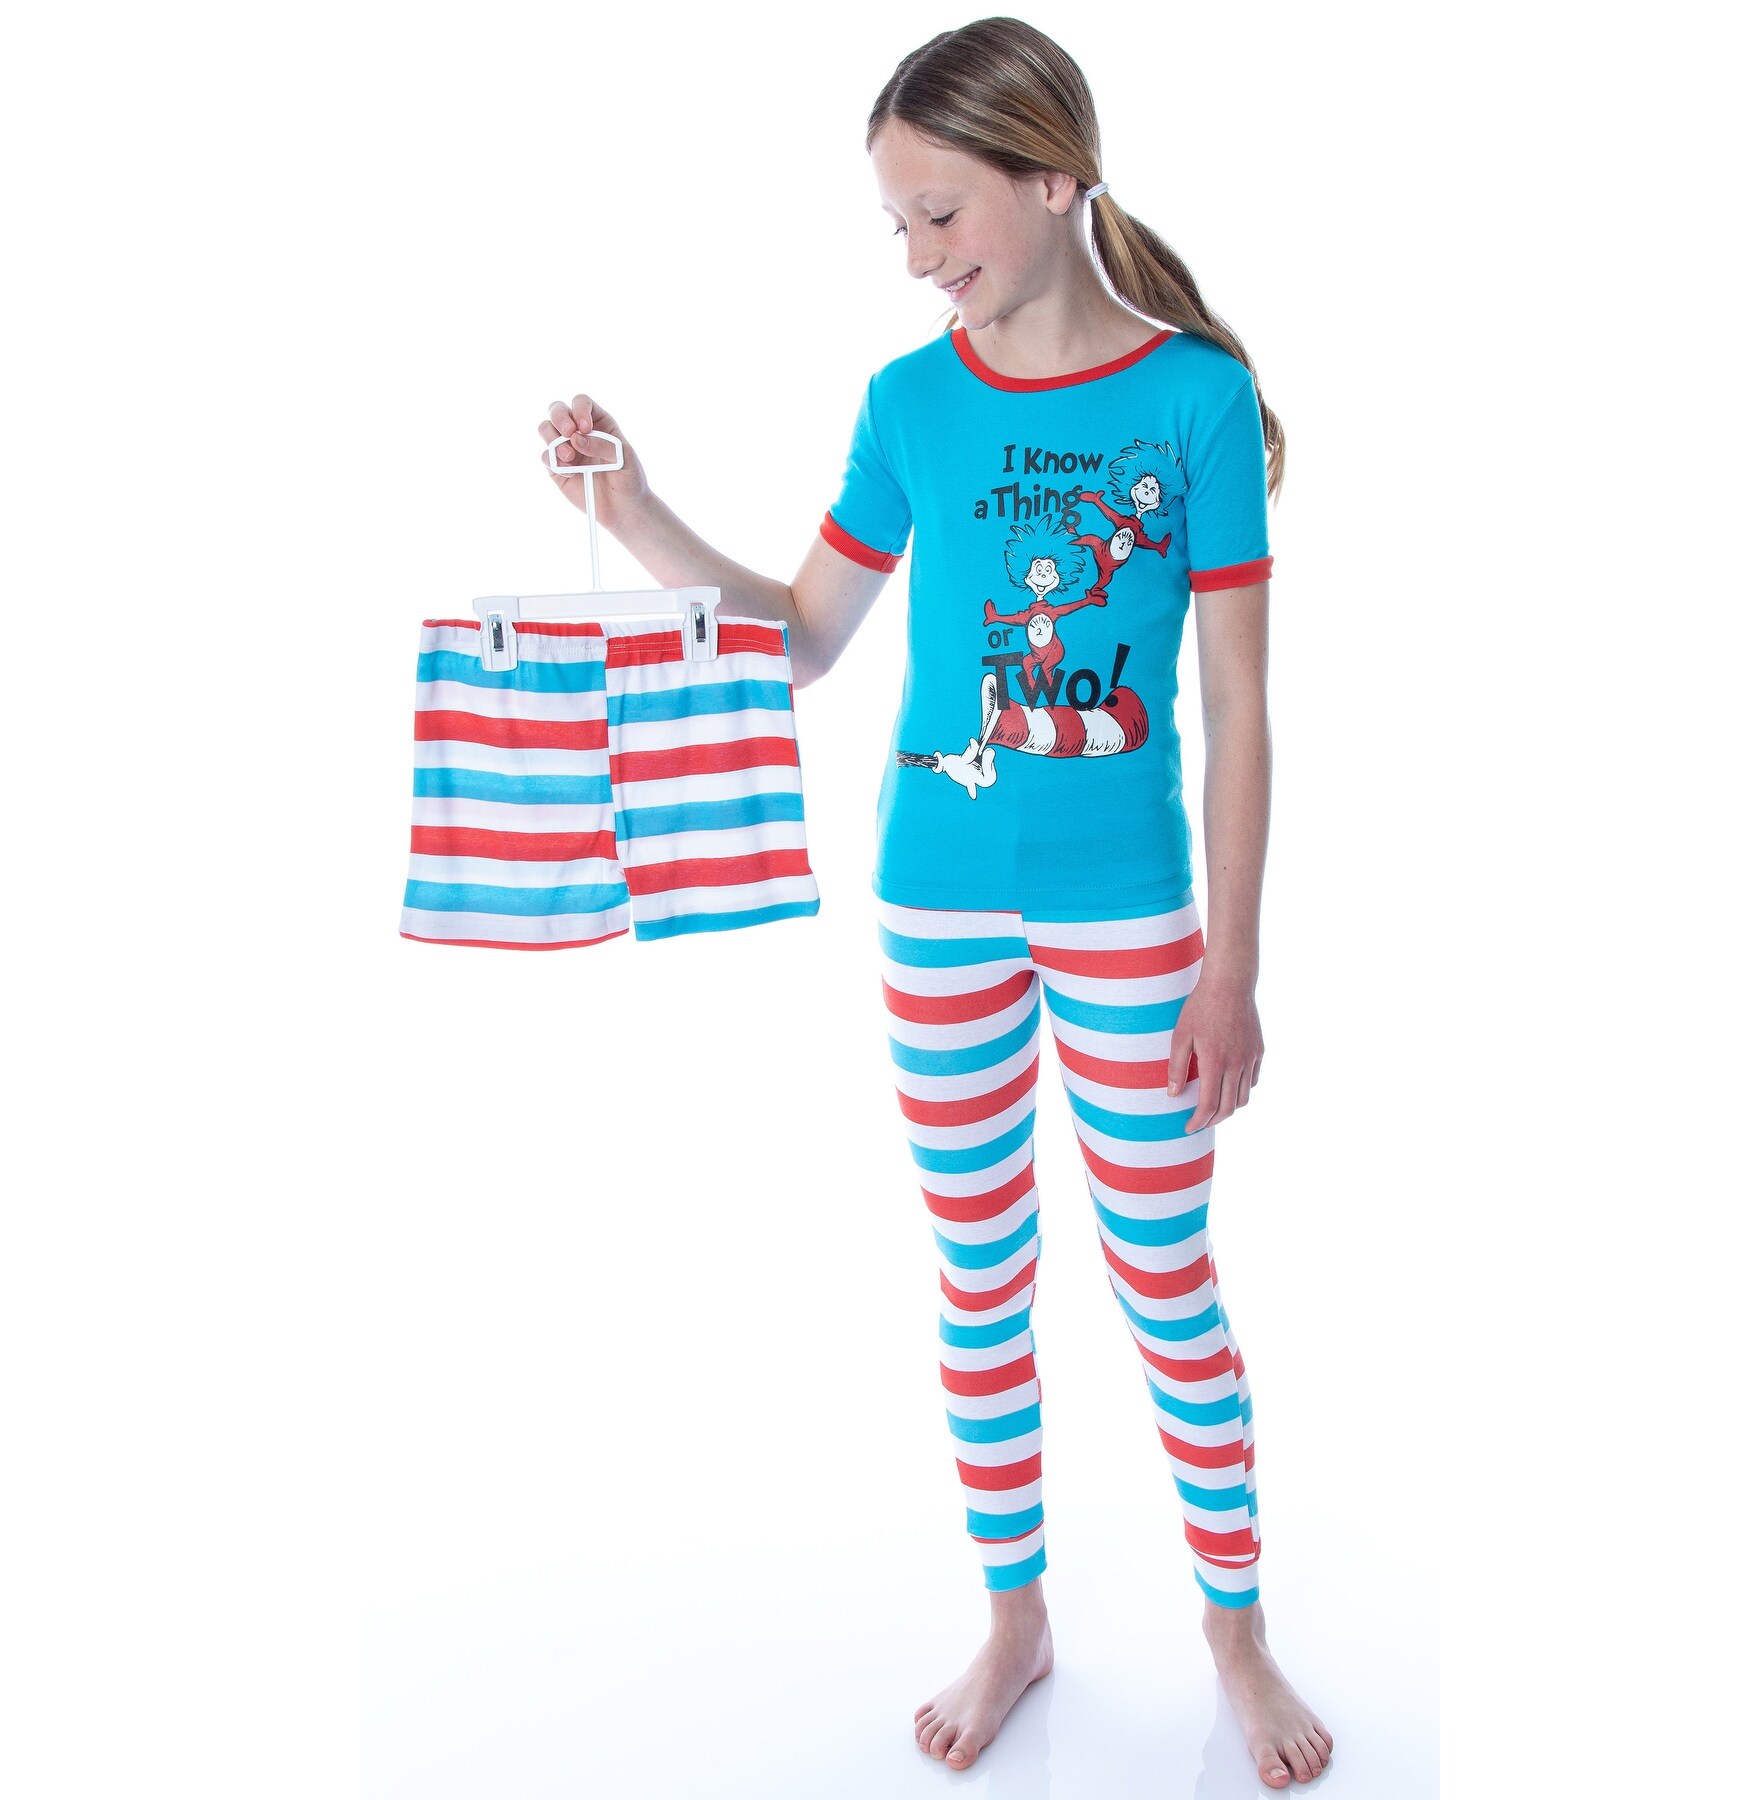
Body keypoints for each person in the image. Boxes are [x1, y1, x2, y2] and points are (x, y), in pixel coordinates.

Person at [538, 16, 1331, 1788]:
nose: (917, 257)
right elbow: (804, 639)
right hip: (938, 908)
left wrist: (1234, 968)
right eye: (895, 224)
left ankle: (1234, 1629)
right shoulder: (911, 402)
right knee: (980, 1275)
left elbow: (1241, 705)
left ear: (1054, 181)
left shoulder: (1195, 398)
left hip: (1133, 919)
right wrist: (636, 507)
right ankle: (1015, 1615)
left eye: (942, 213)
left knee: (1166, 1276)